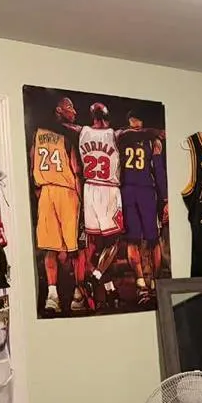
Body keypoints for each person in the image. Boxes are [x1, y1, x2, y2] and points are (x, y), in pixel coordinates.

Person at [59, 102, 164, 309]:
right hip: (109, 190)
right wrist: (158, 132)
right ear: (107, 115)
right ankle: (96, 278)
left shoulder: (81, 131)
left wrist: (59, 116)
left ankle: (108, 289)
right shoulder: (116, 135)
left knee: (95, 246)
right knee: (114, 242)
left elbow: (63, 126)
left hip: (89, 189)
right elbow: (139, 133)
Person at [31, 97, 90, 313]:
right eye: (70, 108)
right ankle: (77, 295)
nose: (74, 112)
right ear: (59, 110)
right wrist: (82, 203)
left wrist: (39, 191)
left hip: (46, 191)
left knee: (51, 249)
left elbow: (32, 164)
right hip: (67, 192)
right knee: (75, 249)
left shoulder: (37, 134)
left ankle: (52, 296)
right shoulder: (68, 136)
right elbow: (76, 170)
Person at [120, 110, 165, 306]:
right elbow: (159, 170)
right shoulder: (144, 138)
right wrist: (164, 197)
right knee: (138, 239)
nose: (135, 122)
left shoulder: (123, 137)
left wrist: (165, 199)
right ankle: (145, 283)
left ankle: (149, 283)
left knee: (149, 239)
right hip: (138, 190)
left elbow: (159, 169)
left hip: (137, 190)